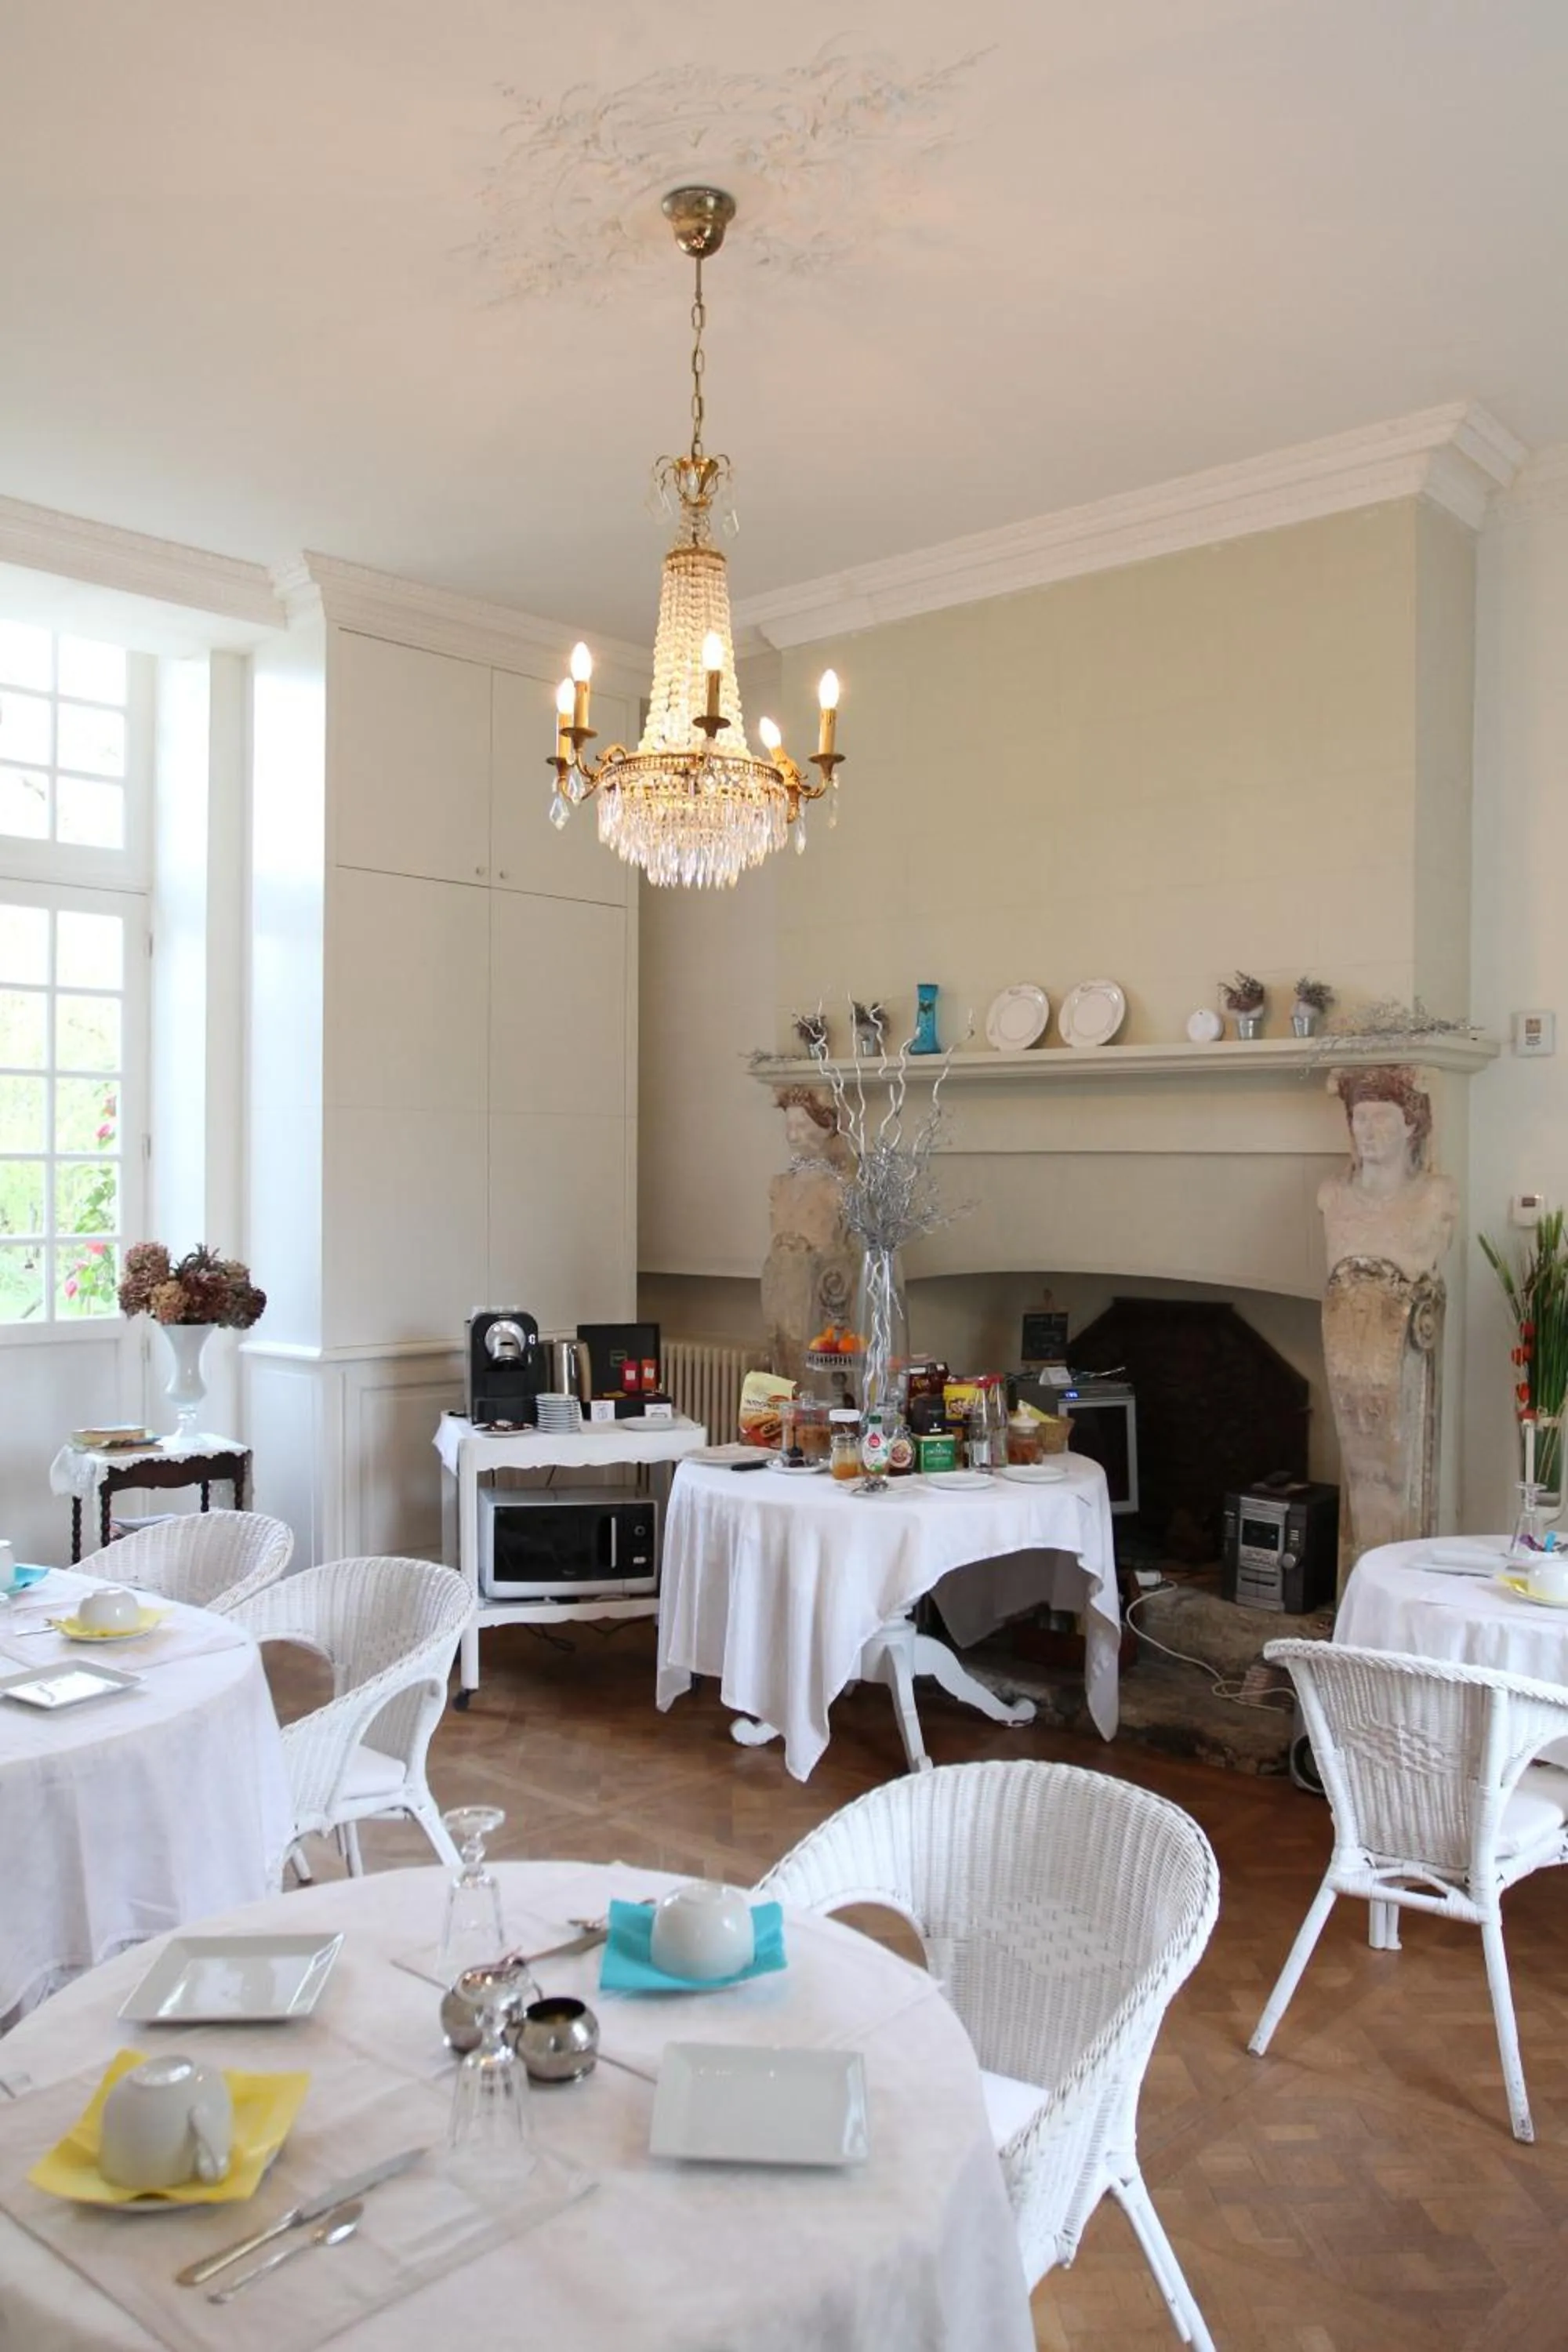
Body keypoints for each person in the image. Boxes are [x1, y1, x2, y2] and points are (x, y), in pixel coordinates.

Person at [1318, 1066, 1457, 1580]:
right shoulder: (1332, 1196)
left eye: (1382, 1118)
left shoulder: (1435, 1197)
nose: (1369, 1131)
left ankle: (1391, 1582)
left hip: (1399, 1363)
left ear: (1411, 1126)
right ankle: (1361, 1584)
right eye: (1360, 1118)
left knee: (1395, 1467)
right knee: (1358, 1464)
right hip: (1347, 1351)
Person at [761, 1088, 858, 1392]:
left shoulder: (838, 1187)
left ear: (826, 1127)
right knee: (782, 1361)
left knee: (817, 1370)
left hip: (820, 1291)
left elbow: (847, 1254)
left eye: (802, 1126)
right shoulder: (780, 1185)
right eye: (789, 1126)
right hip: (780, 1288)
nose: (793, 1136)